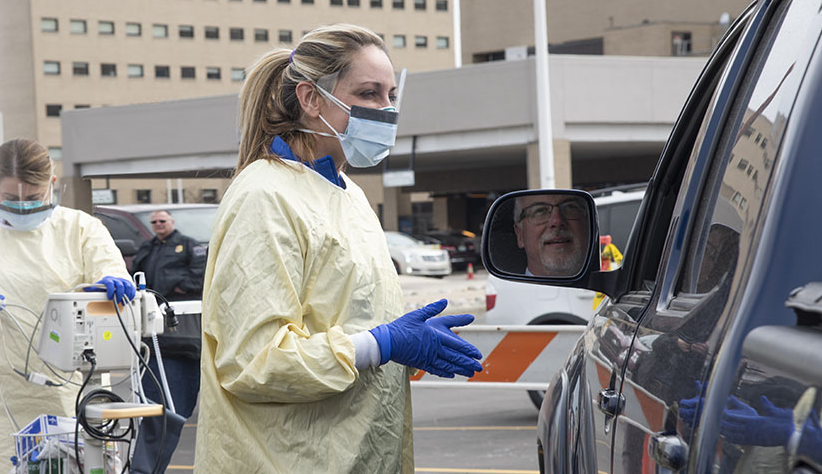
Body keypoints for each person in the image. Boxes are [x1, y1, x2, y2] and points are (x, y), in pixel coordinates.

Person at [194, 23, 484, 473]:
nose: (386, 110)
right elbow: (254, 361)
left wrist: (399, 344)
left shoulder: (346, 192)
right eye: (369, 93)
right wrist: (381, 344)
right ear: (311, 100)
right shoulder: (264, 197)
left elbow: (347, 320)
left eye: (390, 95)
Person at [0, 139, 135, 474]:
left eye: (33, 198)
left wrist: (114, 285)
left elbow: (110, 274)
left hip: (66, 403)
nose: (22, 207)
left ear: (52, 186)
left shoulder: (81, 230)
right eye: (11, 199)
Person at [129, 210, 204, 474]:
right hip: (151, 342)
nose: (159, 225)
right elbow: (137, 282)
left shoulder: (191, 247)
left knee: (171, 414)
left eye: (163, 220)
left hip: (183, 343)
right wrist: (168, 286)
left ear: (172, 222)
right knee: (151, 416)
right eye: (155, 222)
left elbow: (199, 280)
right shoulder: (147, 248)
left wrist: (166, 284)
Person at [512, 194, 590, 276]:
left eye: (570, 207)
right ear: (520, 234)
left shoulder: (603, 286)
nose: (557, 221)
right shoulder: (502, 289)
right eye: (540, 211)